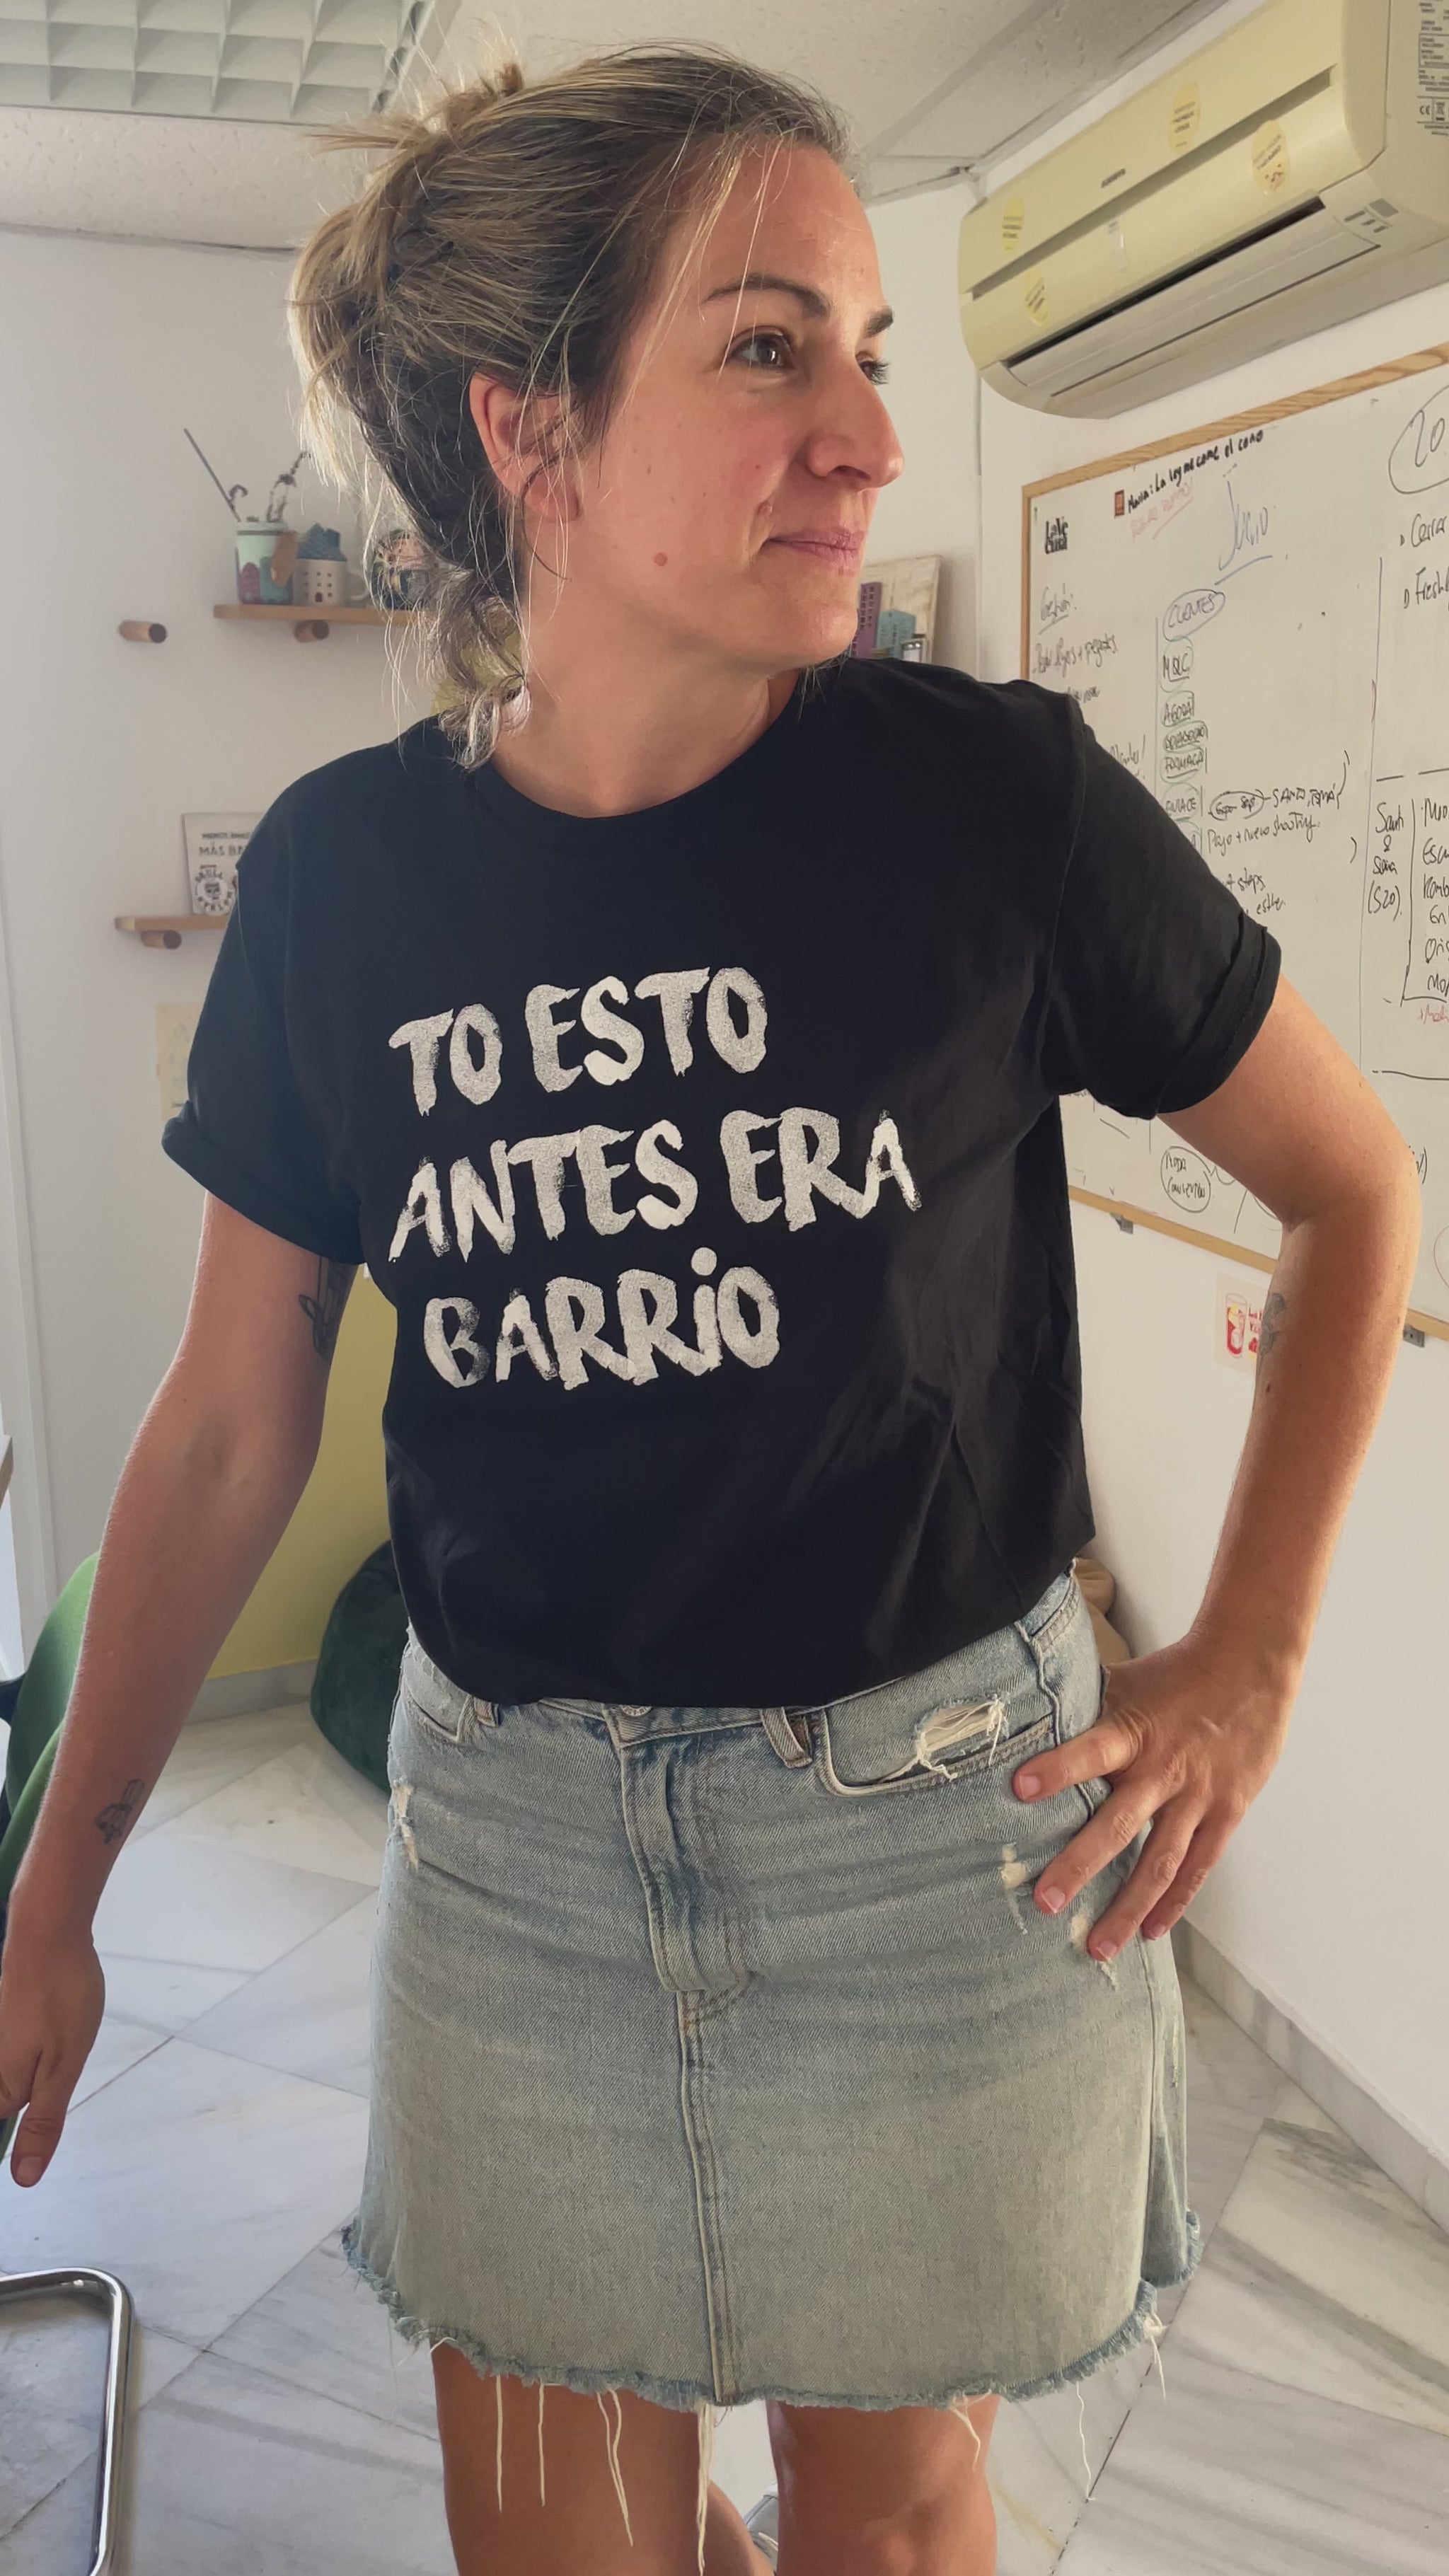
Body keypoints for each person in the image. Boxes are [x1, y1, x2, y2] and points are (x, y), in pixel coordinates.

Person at [0, 42, 1421, 2576]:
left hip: (938, 1852)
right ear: (528, 429)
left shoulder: (992, 807)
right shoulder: (342, 885)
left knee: (884, 2536)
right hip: (519, 1869)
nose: (866, 435)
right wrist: (60, 1879)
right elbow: (229, 1424)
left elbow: (1353, 1183)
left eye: (869, 352)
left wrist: (1247, 1659)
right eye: (772, 349)